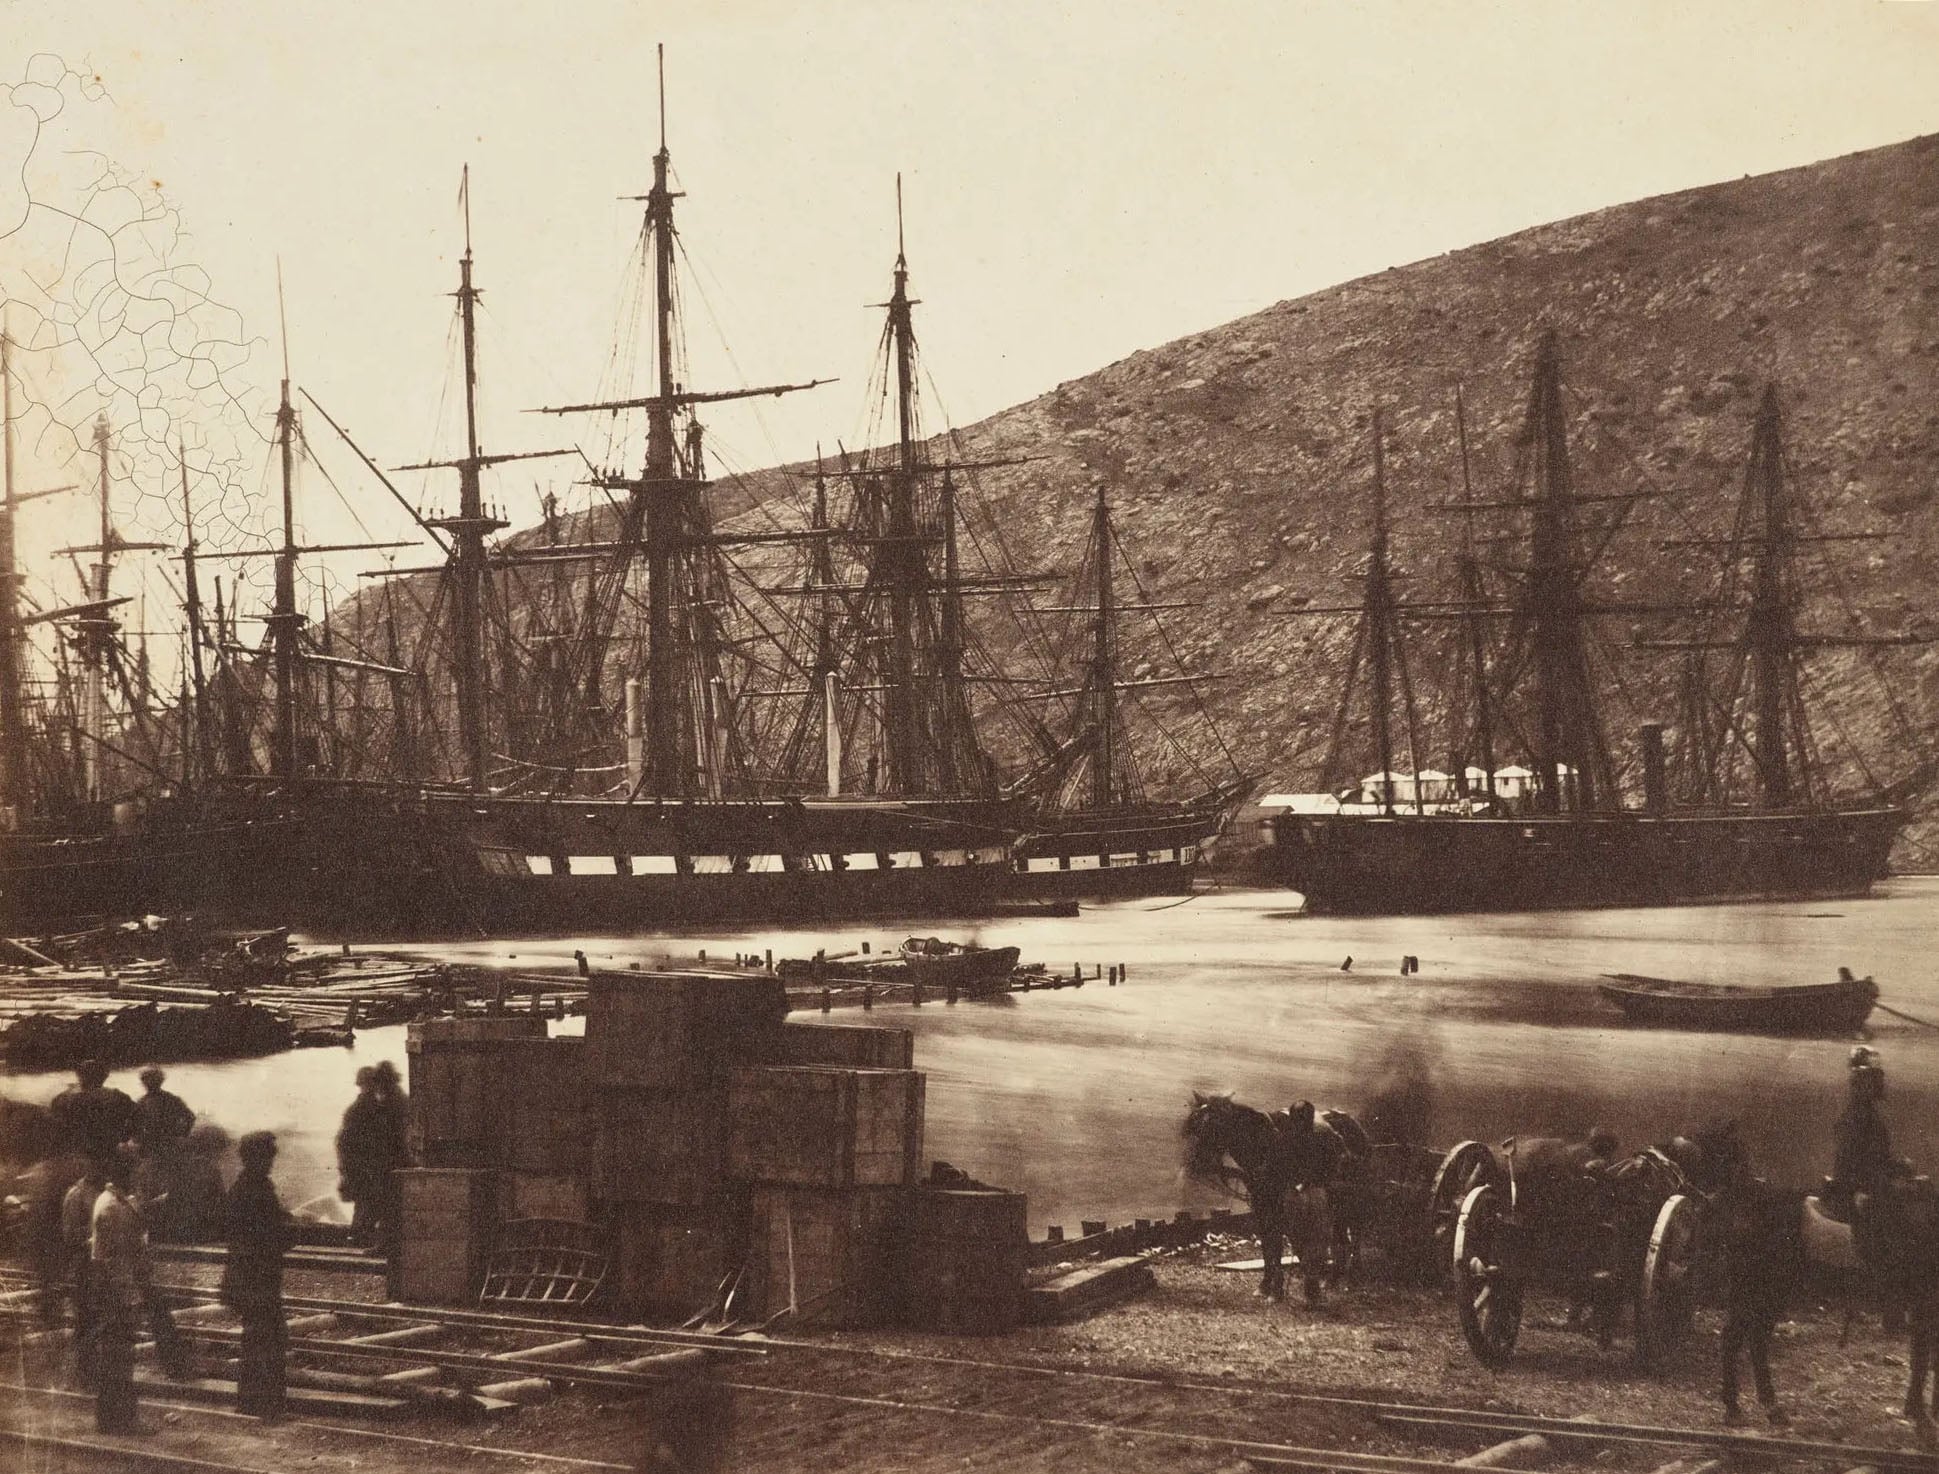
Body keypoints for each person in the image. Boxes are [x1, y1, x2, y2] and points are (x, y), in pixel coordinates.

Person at [221, 1131, 293, 1420]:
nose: (271, 1162)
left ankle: (252, 1403)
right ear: (257, 1158)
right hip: (257, 1278)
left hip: (247, 1277)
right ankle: (267, 1406)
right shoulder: (257, 1189)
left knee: (257, 1339)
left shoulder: (243, 1187)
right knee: (268, 1340)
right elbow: (270, 1234)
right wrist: (290, 1229)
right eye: (268, 1156)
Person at [1717, 1168, 1793, 1427]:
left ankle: (1743, 1403)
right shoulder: (1746, 1208)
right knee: (1744, 1341)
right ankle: (1748, 1403)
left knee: (1747, 1341)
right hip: (1747, 1281)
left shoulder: (1743, 1208)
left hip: (1753, 1280)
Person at [90, 1150, 152, 1434]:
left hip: (116, 1289)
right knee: (118, 1358)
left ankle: (112, 1419)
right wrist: (130, 1298)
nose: (138, 1173)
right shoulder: (112, 1207)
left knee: (116, 1357)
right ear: (124, 1172)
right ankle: (120, 1421)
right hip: (117, 1292)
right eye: (134, 1168)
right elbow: (112, 1260)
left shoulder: (115, 1201)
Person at [336, 1062, 410, 1249]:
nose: (373, 1089)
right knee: (370, 1211)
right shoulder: (370, 1108)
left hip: (373, 1172)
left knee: (369, 1212)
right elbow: (347, 1144)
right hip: (369, 1172)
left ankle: (364, 1244)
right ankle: (364, 1244)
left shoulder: (378, 1107)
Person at [60, 1158, 107, 1389]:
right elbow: (69, 1235)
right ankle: (84, 1375)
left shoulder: (104, 1192)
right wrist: (96, 1231)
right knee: (86, 1321)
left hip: (102, 1268)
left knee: (99, 1322)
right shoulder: (76, 1195)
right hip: (84, 1269)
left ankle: (94, 1372)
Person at [49, 1060, 136, 1162]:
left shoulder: (62, 1099)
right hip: (108, 1151)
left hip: (74, 1154)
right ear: (105, 1077)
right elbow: (136, 1119)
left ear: (79, 1076)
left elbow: (55, 1128)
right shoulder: (118, 1097)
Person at [131, 1067, 194, 1156]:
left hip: (168, 1143)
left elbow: (190, 1117)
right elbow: (134, 1123)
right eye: (146, 1081)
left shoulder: (171, 1100)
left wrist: (182, 1134)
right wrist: (137, 1138)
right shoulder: (141, 1102)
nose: (148, 1084)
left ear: (160, 1081)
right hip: (149, 1144)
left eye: (153, 1080)